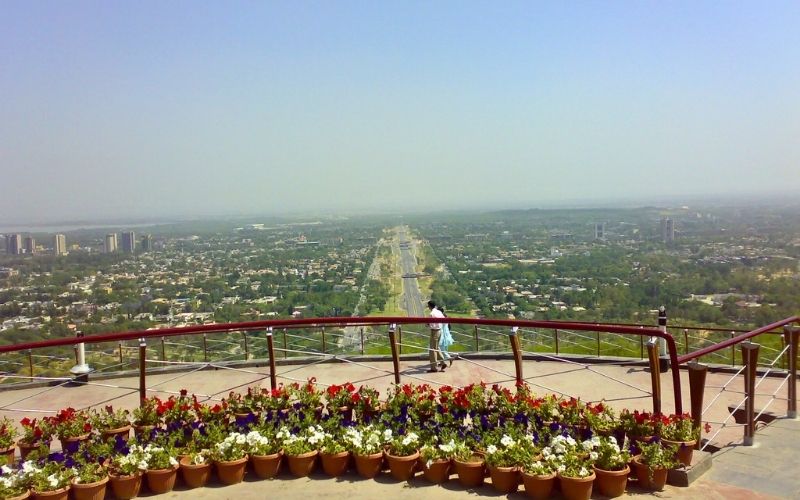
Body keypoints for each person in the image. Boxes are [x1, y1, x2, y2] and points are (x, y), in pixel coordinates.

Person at [427, 300, 446, 372]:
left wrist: (428, 324)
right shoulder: (439, 312)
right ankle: (443, 362)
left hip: (434, 331)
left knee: (432, 350)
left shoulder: (431, 313)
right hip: (439, 330)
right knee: (436, 347)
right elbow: (444, 320)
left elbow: (428, 323)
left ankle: (434, 367)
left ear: (429, 306)